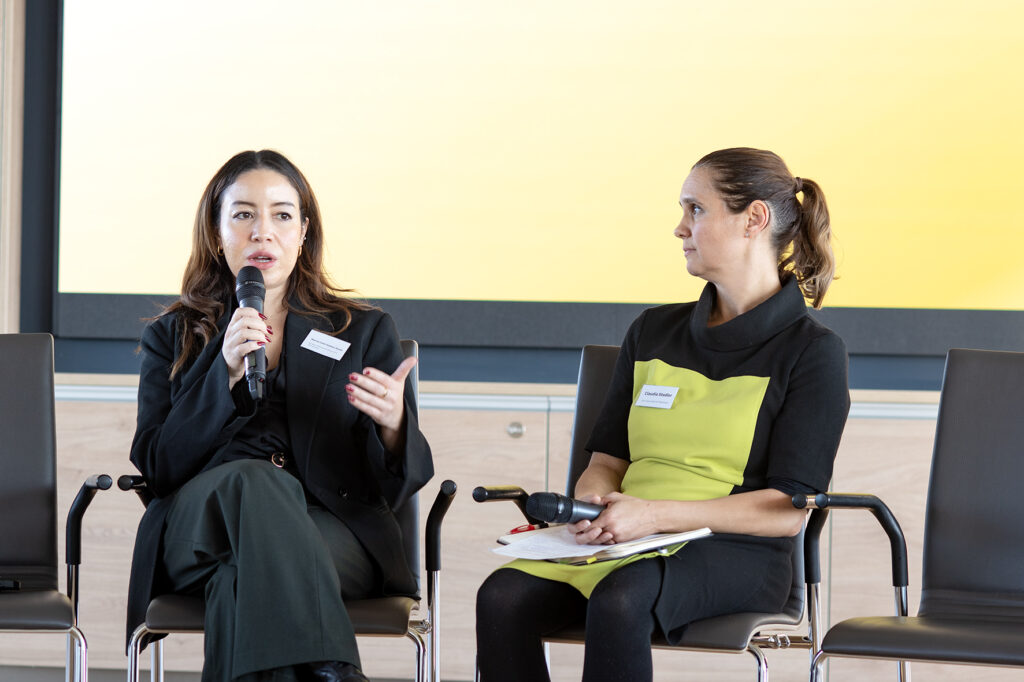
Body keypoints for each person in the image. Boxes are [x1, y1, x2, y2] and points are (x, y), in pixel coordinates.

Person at [476, 148, 850, 681]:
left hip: (735, 550)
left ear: (754, 219)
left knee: (621, 598)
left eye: (696, 209)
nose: (680, 228)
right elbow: (607, 462)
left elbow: (785, 512)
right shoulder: (652, 331)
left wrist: (651, 517)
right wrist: (591, 505)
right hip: (627, 538)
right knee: (502, 595)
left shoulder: (812, 351)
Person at [126, 150, 433, 682]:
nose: (262, 232)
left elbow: (400, 484)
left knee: (238, 582)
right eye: (243, 214)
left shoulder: (359, 329)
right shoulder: (171, 335)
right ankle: (333, 667)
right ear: (217, 231)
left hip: (330, 530)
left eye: (282, 215)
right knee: (253, 480)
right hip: (198, 528)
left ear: (304, 231)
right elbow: (159, 468)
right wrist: (221, 374)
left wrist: (393, 425)